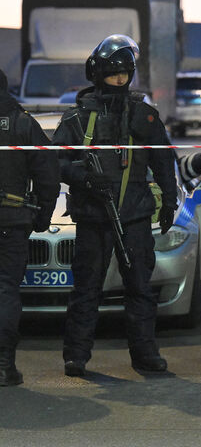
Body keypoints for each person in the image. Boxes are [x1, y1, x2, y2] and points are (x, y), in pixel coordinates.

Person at [53, 35, 178, 377]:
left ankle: (145, 355)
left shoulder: (144, 116)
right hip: (93, 217)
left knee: (140, 288)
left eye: (125, 73)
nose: (120, 79)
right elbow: (55, 162)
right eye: (113, 73)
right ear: (98, 74)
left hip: (135, 217)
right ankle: (76, 356)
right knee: (86, 290)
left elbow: (164, 161)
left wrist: (169, 200)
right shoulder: (78, 118)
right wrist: (83, 178)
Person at [0, 68, 60, 386]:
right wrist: (43, 215)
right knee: (5, 290)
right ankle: (3, 366)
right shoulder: (22, 123)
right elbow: (48, 173)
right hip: (11, 221)